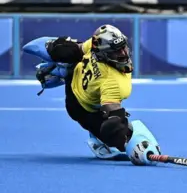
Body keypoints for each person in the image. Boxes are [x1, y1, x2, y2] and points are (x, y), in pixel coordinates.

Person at [23, 24, 160, 165]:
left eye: (123, 48)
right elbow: (113, 119)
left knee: (70, 50)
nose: (124, 54)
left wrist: (54, 48)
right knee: (122, 131)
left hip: (75, 80)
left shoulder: (95, 46)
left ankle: (62, 70)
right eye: (116, 52)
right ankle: (98, 140)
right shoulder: (115, 82)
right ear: (102, 53)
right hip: (82, 111)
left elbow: (75, 48)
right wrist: (129, 142)